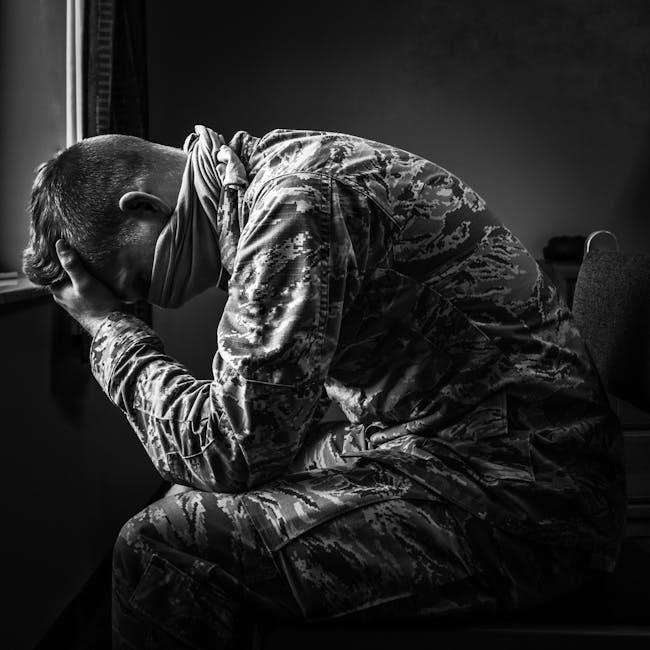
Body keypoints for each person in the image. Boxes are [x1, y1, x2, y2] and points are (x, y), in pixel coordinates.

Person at [23, 126, 625, 649]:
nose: (150, 298)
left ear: (143, 208)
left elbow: (229, 450)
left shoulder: (293, 203)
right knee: (187, 495)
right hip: (483, 456)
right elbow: (261, 431)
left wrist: (108, 327)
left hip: (525, 505)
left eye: (135, 280)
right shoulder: (275, 174)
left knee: (158, 549)